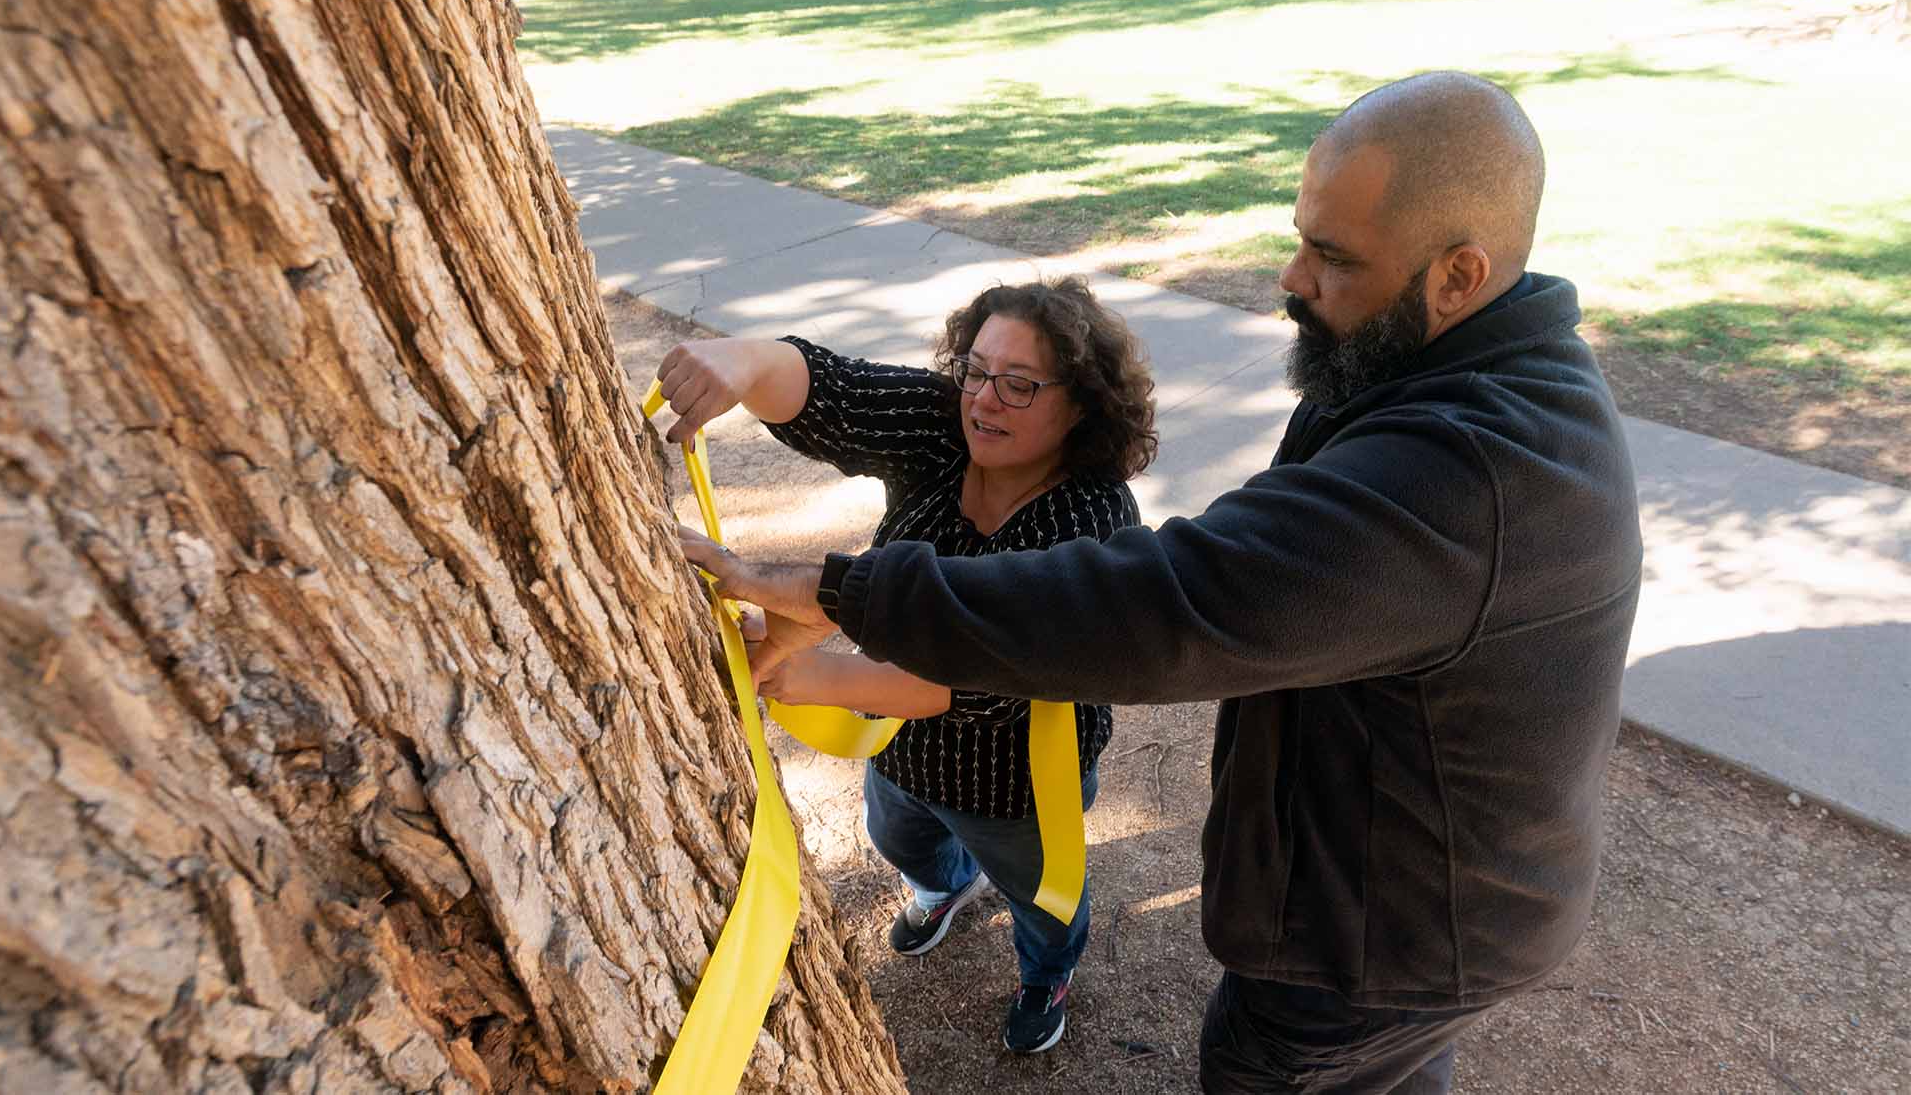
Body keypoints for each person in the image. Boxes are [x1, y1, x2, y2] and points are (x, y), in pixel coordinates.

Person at [680, 72, 1643, 1093]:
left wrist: (837, 595)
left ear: (1457, 275)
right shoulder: (1433, 372)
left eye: (1331, 256)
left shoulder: (1467, 472)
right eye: (1301, 236)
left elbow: (1168, 603)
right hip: (1410, 903)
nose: (1291, 277)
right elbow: (843, 395)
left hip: (1383, 941)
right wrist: (748, 361)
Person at [652, 275, 1159, 1054]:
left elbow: (962, 673)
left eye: (1019, 385)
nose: (984, 400)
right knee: (899, 836)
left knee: (1043, 895)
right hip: (902, 745)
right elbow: (836, 393)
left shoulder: (1088, 523)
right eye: (976, 370)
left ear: (1083, 404)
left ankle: (1047, 970)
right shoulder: (945, 426)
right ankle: (945, 885)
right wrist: (746, 360)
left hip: (1015, 779)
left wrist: (798, 671)